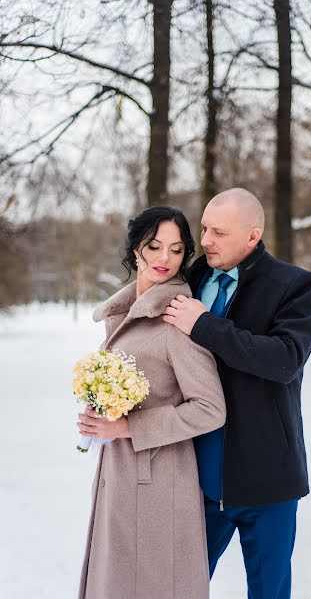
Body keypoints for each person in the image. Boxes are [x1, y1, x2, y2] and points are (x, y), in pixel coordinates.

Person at [163, 188, 311, 599]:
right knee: (180, 588)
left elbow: (284, 360)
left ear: (252, 237)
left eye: (219, 232)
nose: (206, 241)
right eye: (203, 229)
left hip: (268, 481)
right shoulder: (192, 277)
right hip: (200, 478)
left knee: (268, 592)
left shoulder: (295, 285)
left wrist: (205, 325)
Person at [77, 206, 226, 599]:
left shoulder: (176, 317)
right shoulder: (126, 311)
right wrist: (101, 405)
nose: (164, 258)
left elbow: (210, 408)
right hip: (121, 472)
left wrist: (126, 427)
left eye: (176, 250)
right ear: (135, 249)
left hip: (158, 481)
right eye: (154, 246)